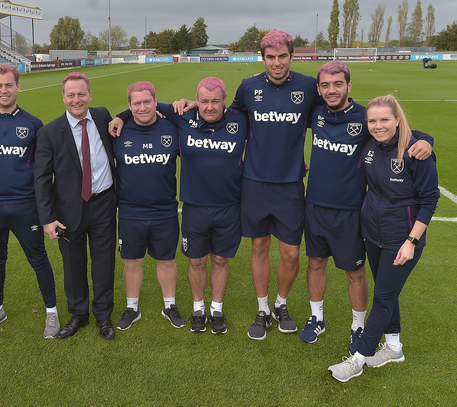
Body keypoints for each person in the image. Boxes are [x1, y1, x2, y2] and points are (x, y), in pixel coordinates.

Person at [300, 62, 433, 350]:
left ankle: (358, 326)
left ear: (349, 85)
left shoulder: (365, 117)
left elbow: (403, 132)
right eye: (325, 85)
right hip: (314, 206)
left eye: (338, 84)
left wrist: (426, 140)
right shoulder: (316, 112)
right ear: (319, 89)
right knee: (314, 263)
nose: (331, 90)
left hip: (350, 211)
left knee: (355, 272)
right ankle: (316, 318)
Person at [112, 77, 249, 334]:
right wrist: (120, 116)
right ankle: (198, 309)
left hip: (229, 205)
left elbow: (272, 139)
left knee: (219, 259)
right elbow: (142, 107)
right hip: (193, 206)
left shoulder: (241, 119)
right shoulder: (183, 118)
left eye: (215, 101)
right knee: (195, 261)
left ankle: (215, 309)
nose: (209, 106)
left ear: (225, 100)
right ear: (196, 101)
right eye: (204, 101)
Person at [328, 95, 439, 382]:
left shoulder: (417, 152)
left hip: (401, 240)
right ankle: (393, 348)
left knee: (383, 298)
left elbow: (429, 201)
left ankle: (357, 360)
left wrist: (411, 242)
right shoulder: (370, 145)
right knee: (387, 294)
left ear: (397, 119)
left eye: (385, 120)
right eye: (373, 120)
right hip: (372, 234)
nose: (378, 126)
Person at [229, 30, 320, 340]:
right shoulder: (248, 87)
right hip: (254, 182)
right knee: (259, 246)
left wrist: (420, 137)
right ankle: (263, 309)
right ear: (263, 58)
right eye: (271, 57)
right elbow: (228, 116)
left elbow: (343, 110)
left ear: (292, 57)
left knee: (292, 253)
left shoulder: (309, 87)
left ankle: (282, 304)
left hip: (291, 184)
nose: (277, 62)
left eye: (283, 56)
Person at [0, 63, 59, 338]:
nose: (4, 90)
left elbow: (43, 170)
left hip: (25, 206)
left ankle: (52, 314)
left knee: (38, 259)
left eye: (9, 85)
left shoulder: (33, 125)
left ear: (18, 86)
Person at [33, 72, 117, 340]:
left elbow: (135, 110)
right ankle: (78, 314)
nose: (77, 99)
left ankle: (103, 315)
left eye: (82, 94)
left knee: (104, 262)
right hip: (69, 209)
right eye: (71, 94)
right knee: (73, 265)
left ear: (90, 95)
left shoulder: (103, 116)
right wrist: (47, 218)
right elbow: (42, 179)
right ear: (63, 97)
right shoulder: (48, 132)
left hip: (103, 202)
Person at [108, 81, 184, 331]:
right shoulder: (117, 131)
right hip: (130, 211)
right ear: (129, 106)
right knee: (132, 261)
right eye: (136, 103)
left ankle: (169, 305)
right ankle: (132, 307)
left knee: (166, 260)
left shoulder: (172, 127)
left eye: (147, 102)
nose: (142, 107)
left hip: (165, 209)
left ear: (155, 101)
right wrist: (121, 116)